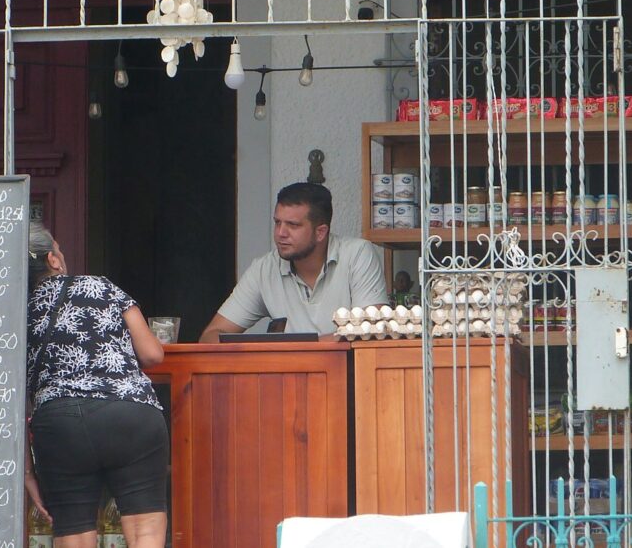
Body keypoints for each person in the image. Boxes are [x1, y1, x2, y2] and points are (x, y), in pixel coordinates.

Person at [25, 221, 168, 548]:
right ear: (53, 259)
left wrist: (27, 471)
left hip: (60, 424)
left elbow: (7, 395)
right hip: (130, 414)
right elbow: (152, 354)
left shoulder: (10, 312)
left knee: (74, 529)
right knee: (145, 526)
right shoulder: (100, 286)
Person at [199, 182, 387, 342]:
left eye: (293, 225)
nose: (280, 233)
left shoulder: (357, 254)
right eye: (277, 222)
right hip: (287, 381)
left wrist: (293, 350)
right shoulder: (264, 269)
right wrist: (256, 354)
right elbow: (210, 336)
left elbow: (370, 333)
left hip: (349, 379)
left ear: (320, 232)